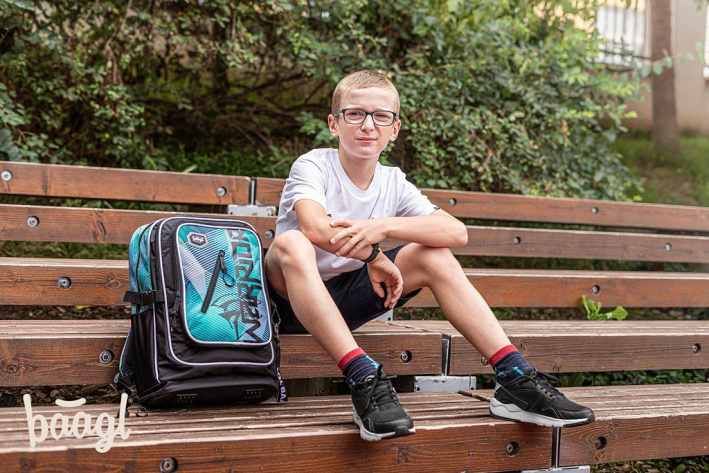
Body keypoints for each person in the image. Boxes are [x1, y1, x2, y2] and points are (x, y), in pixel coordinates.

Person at [264, 69, 595, 442]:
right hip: (286, 305)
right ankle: (364, 377)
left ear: (394, 129)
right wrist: (375, 257)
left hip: (346, 301)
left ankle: (513, 376)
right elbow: (314, 228)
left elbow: (455, 232)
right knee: (292, 244)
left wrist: (384, 227)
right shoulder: (314, 165)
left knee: (433, 254)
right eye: (354, 114)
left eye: (380, 116)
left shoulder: (393, 181)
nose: (368, 125)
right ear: (334, 124)